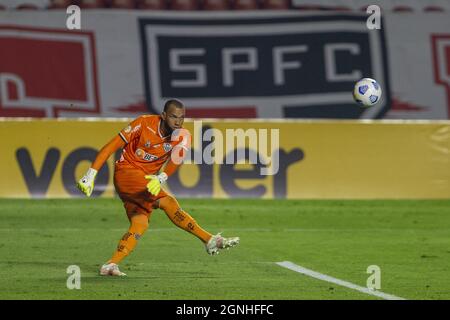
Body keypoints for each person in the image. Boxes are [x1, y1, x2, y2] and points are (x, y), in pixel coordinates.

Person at [76, 99, 239, 276]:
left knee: (140, 223)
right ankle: (209, 240)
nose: (178, 121)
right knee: (168, 202)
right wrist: (90, 174)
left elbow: (178, 158)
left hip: (148, 182)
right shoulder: (143, 123)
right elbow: (110, 147)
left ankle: (111, 264)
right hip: (126, 173)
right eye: (174, 117)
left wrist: (161, 177)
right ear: (163, 116)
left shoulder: (183, 135)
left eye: (182, 118)